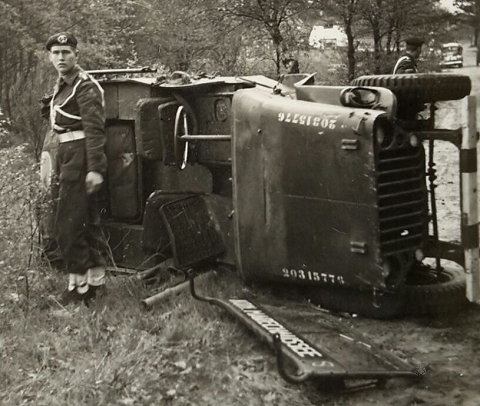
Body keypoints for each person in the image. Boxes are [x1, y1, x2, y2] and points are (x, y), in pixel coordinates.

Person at [43, 32, 108, 305]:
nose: (61, 57)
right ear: (50, 56)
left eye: (66, 52)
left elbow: (95, 131)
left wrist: (95, 169)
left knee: (68, 225)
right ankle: (95, 283)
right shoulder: (64, 84)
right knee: (87, 222)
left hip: (80, 157)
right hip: (68, 155)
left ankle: (78, 288)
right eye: (56, 53)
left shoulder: (84, 86)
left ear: (76, 55)